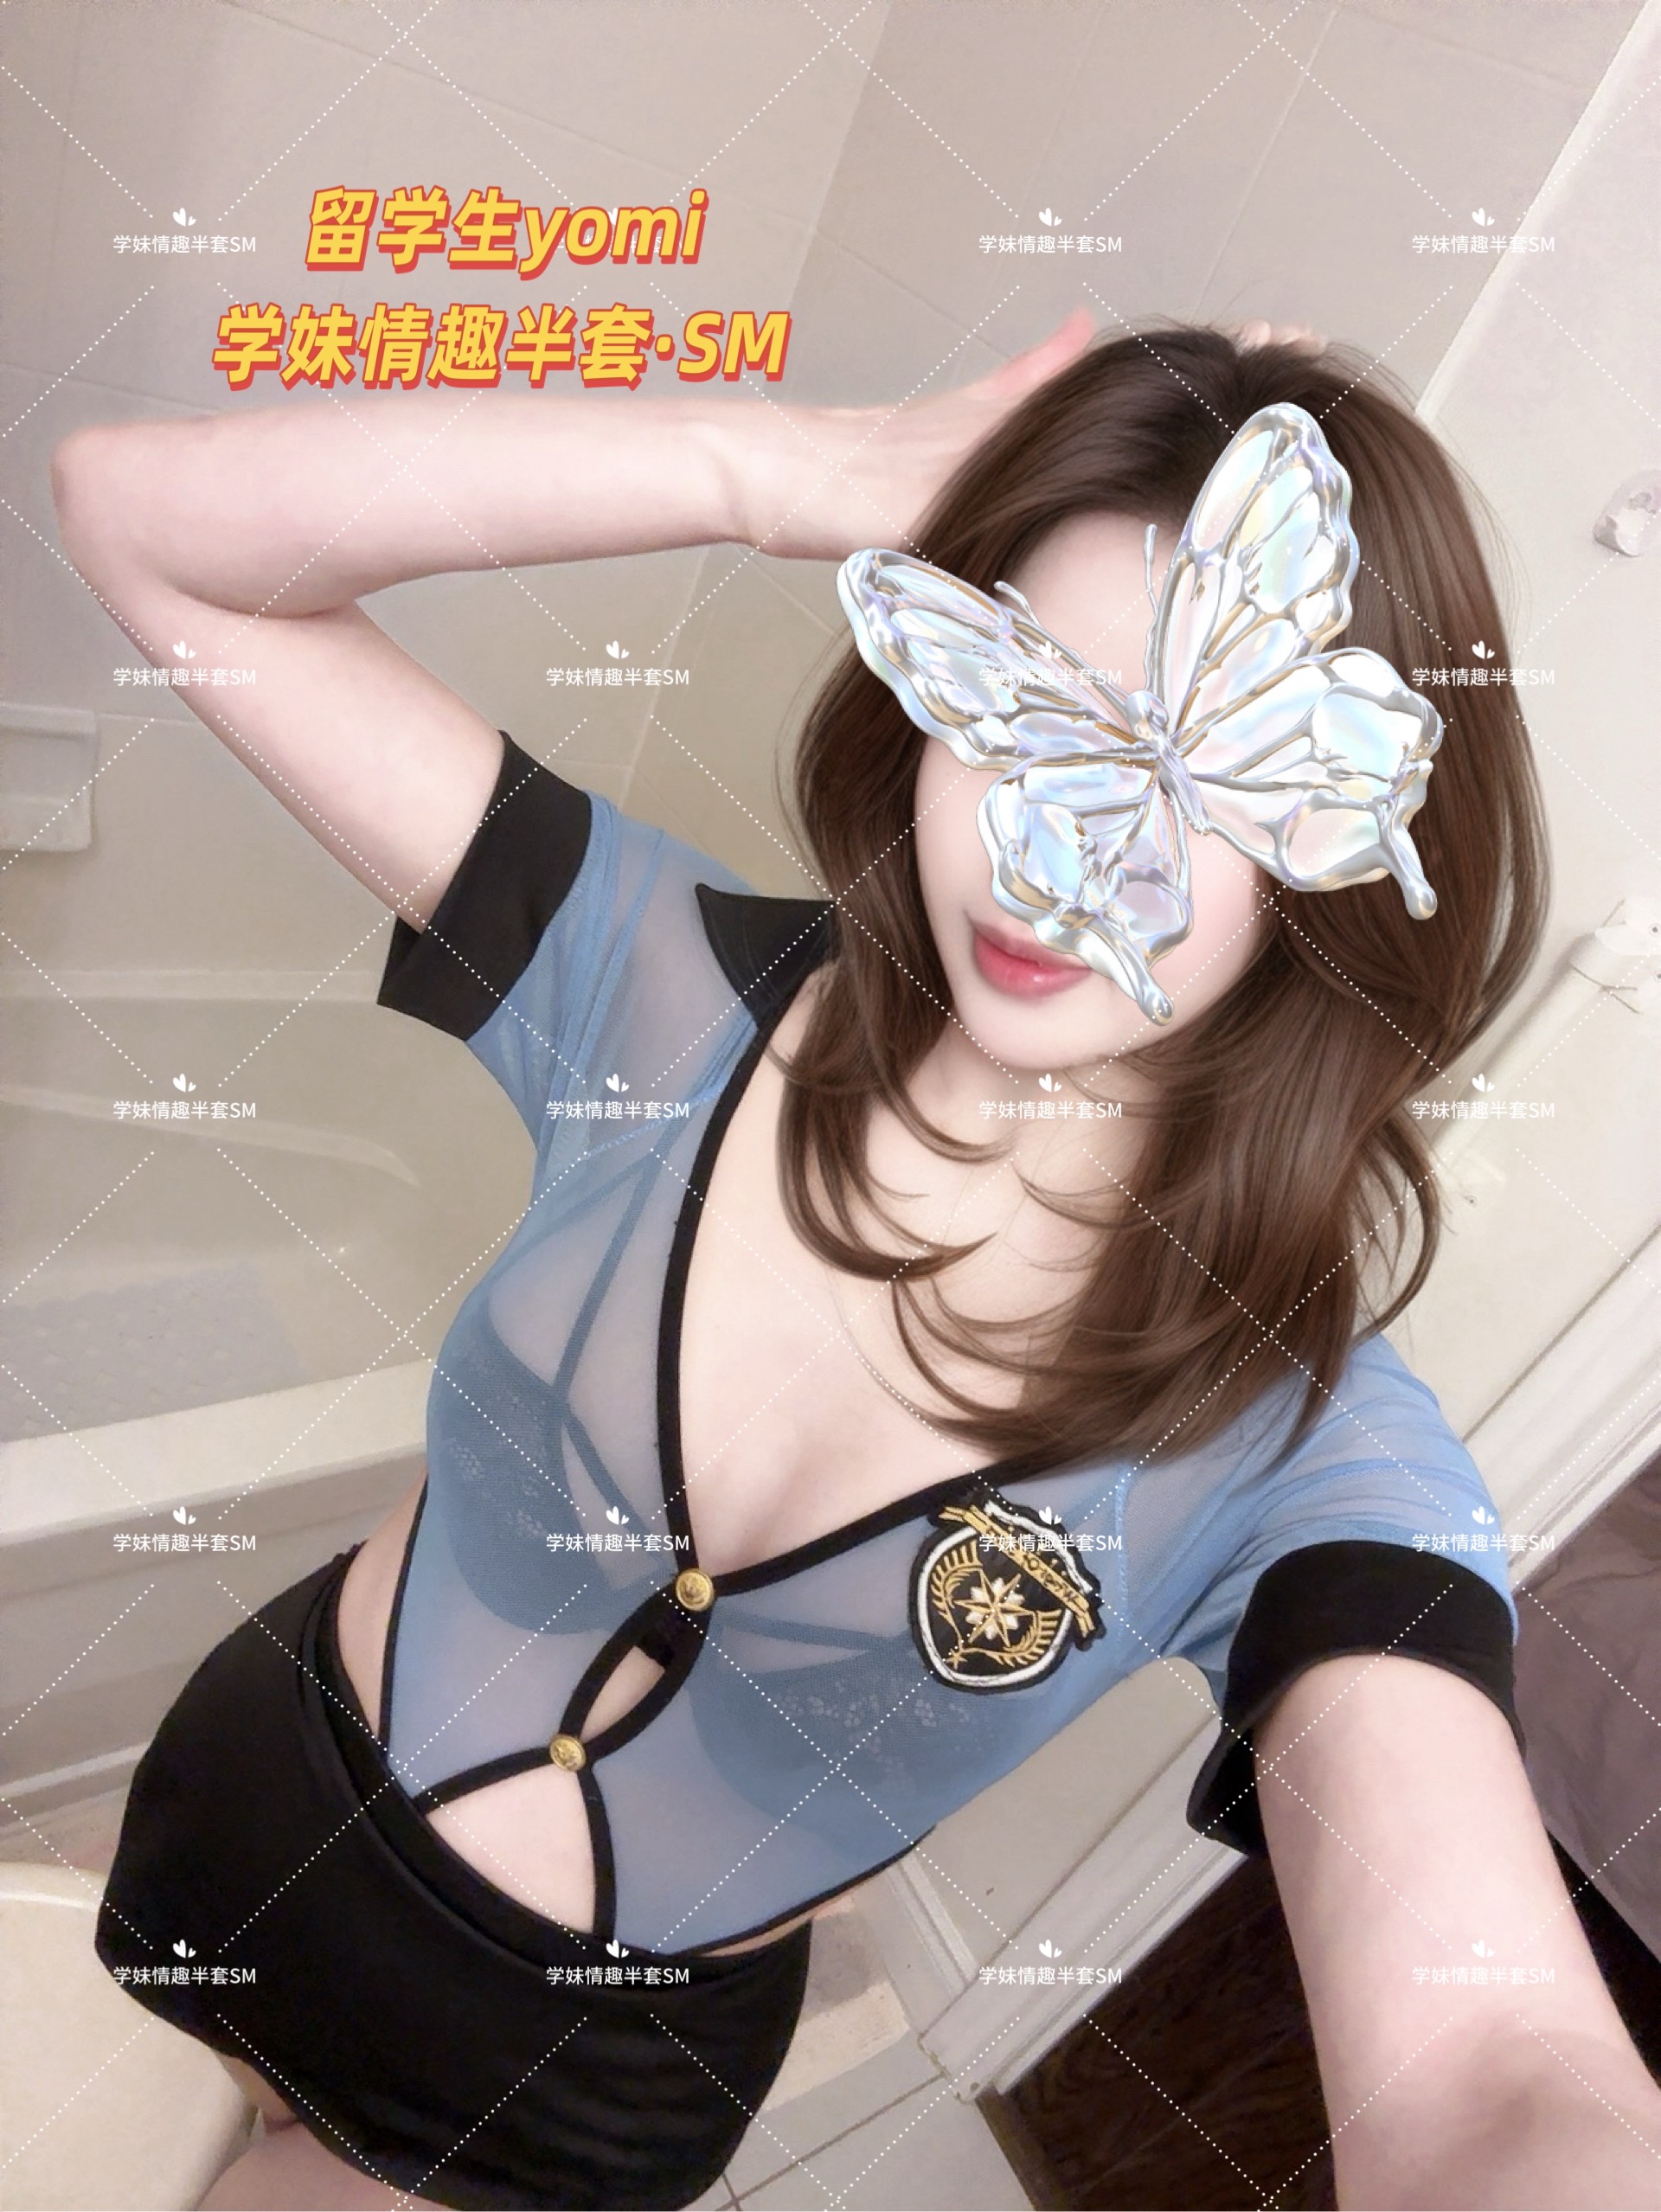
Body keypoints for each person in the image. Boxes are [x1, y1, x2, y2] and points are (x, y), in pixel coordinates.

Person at [50, 313, 1661, 2211]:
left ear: (1336, 848)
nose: (1056, 848)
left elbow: (1495, 2062)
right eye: (1023, 708)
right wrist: (788, 469)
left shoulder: (1304, 1452)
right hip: (254, 1805)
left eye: (1192, 776)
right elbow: (136, 514)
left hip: (558, 2085)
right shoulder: (656, 984)